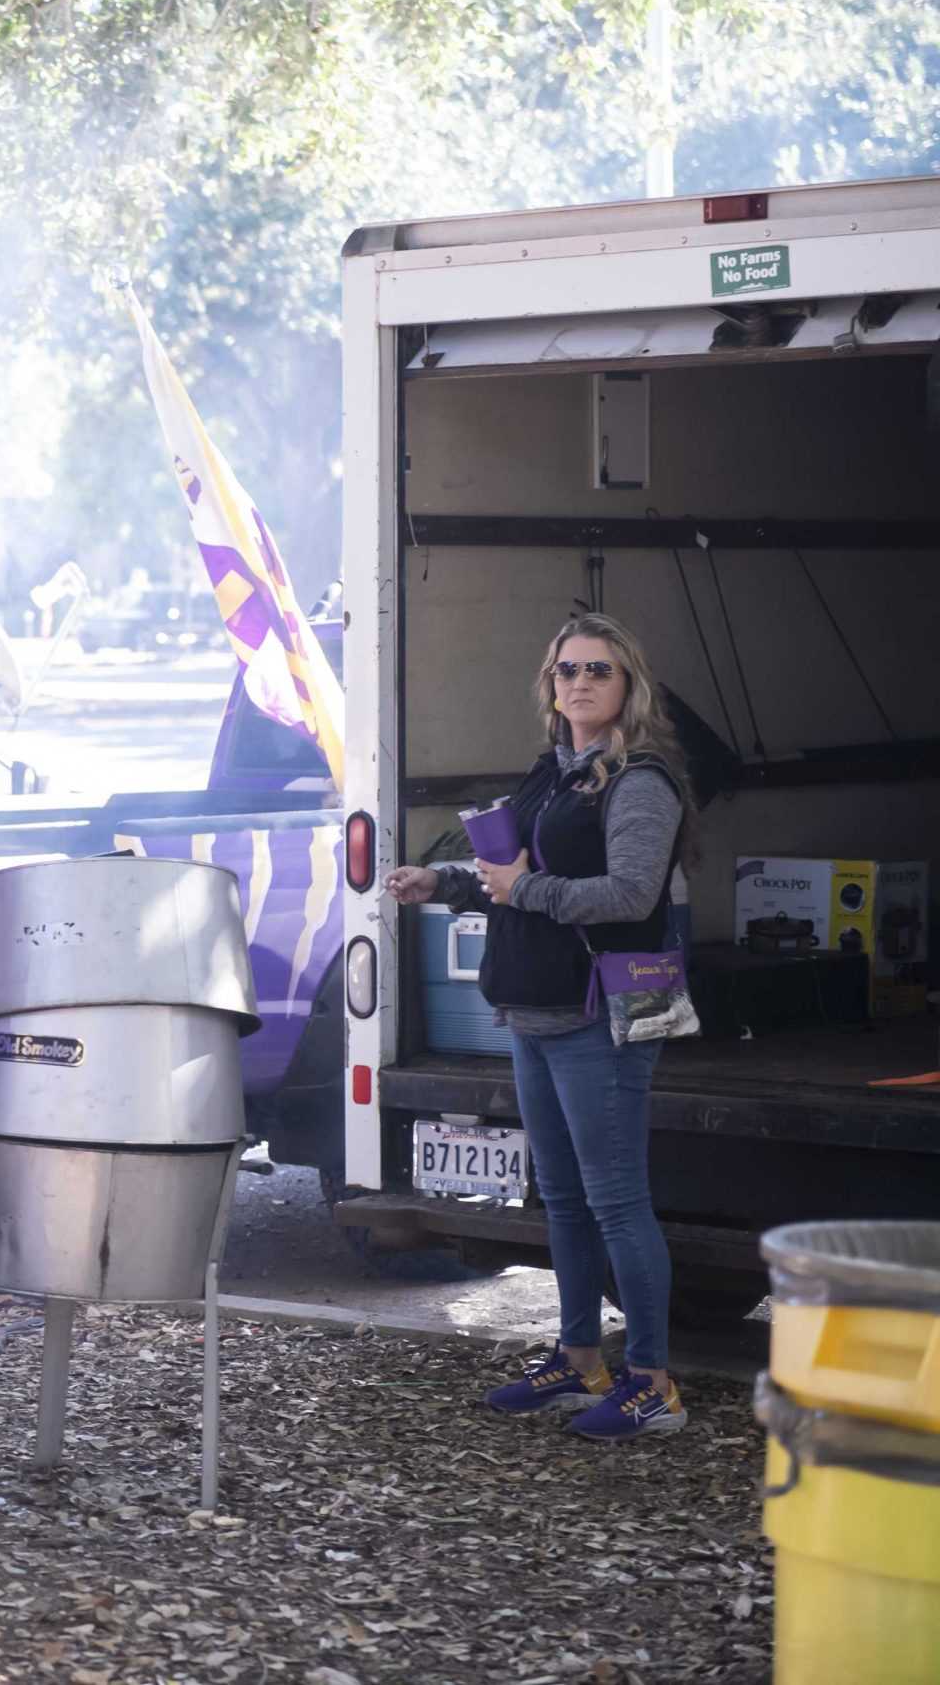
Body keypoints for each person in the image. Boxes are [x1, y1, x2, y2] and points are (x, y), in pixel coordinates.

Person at [385, 612, 691, 1442]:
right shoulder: (553, 772)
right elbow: (510, 869)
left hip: (606, 1013)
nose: (580, 683)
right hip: (533, 1009)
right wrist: (442, 878)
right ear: (550, 686)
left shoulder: (643, 779)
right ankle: (580, 1357)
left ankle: (653, 1381)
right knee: (561, 1197)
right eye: (566, 671)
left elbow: (630, 893)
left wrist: (527, 893)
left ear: (629, 684)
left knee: (618, 1200)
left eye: (598, 670)